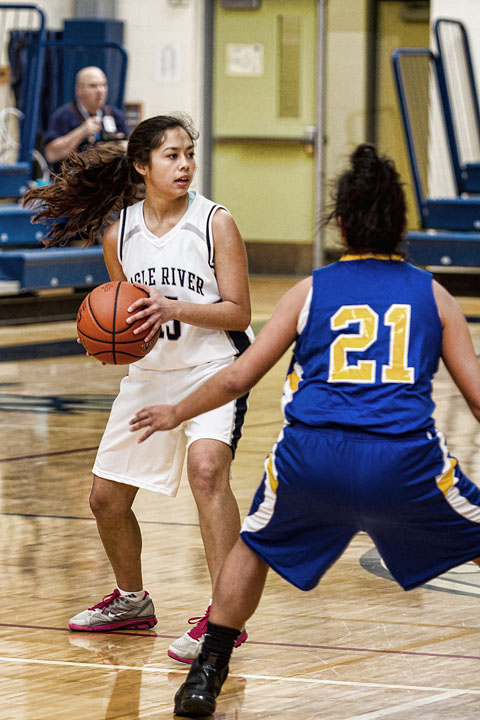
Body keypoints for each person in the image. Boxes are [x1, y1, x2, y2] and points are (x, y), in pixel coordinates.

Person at [129, 143, 480, 717]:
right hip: (402, 460)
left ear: (340, 223)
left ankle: (206, 674)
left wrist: (175, 412)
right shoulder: (432, 294)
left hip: (311, 457)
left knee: (255, 544)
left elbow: (239, 374)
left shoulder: (309, 290)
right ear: (402, 226)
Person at [24, 113, 252, 664]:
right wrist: (112, 340)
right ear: (141, 166)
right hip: (151, 376)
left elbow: (240, 311)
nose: (185, 165)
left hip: (212, 371)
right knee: (105, 498)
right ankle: (132, 601)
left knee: (206, 472)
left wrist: (173, 306)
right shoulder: (118, 233)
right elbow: (123, 317)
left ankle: (223, 619)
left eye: (189, 154)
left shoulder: (215, 223)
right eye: (172, 156)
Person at [43, 66, 130, 174]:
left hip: (108, 181)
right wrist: (82, 131)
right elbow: (51, 154)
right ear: (79, 90)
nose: (100, 91)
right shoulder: (64, 115)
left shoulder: (114, 115)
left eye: (103, 85)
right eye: (93, 86)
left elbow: (130, 149)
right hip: (72, 182)